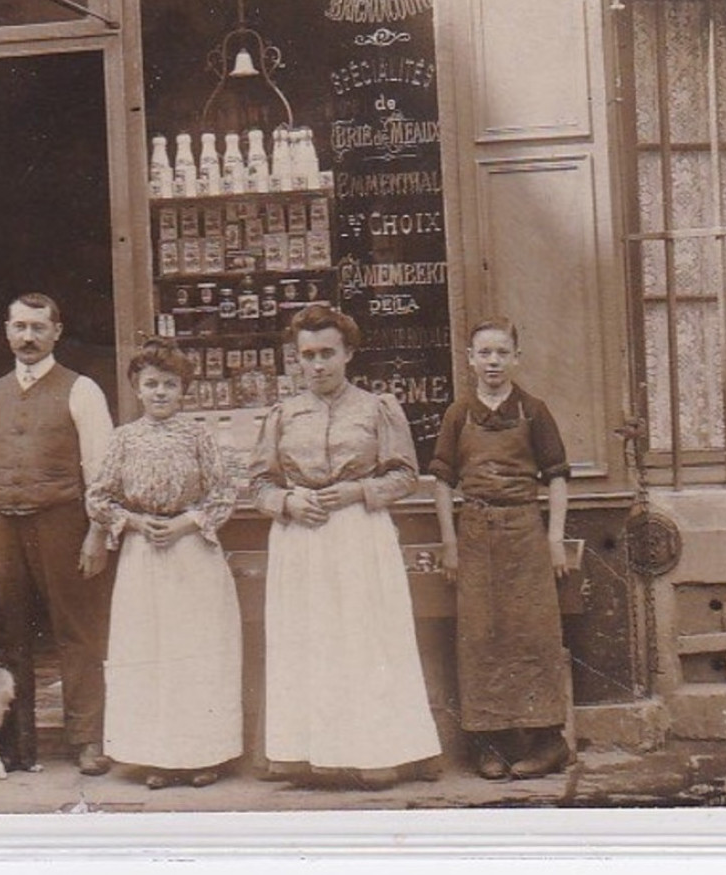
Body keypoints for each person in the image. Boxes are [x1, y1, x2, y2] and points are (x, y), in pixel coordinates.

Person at [247, 303, 440, 787]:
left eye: (327, 353)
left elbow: (405, 476)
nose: (317, 365)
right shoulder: (282, 414)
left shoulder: (376, 409)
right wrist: (287, 502)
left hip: (359, 534)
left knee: (364, 639)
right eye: (307, 355)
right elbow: (259, 485)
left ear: (348, 353)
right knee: (306, 640)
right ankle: (304, 753)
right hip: (301, 541)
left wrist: (359, 491)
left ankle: (375, 752)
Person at [0, 293, 116, 774]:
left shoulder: (81, 390)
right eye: (20, 327)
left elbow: (103, 469)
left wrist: (96, 534)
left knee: (78, 632)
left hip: (64, 521)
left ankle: (87, 738)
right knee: (10, 635)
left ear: (56, 333)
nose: (28, 337)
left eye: (38, 328)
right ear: (6, 331)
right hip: (4, 523)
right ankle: (17, 744)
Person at [85, 337, 241, 789]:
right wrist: (132, 520)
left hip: (191, 552)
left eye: (169, 385)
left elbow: (223, 492)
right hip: (142, 555)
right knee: (149, 651)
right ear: (137, 388)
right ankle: (156, 756)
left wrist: (188, 524)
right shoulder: (124, 439)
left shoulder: (198, 435)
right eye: (151, 384)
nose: (159, 393)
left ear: (183, 390)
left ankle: (201, 755)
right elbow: (98, 496)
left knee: (194, 651)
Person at [429, 316, 573, 780]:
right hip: (473, 534)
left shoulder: (534, 410)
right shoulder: (458, 413)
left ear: (516, 357)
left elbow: (557, 478)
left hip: (525, 532)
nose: (493, 361)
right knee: (481, 637)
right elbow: (442, 481)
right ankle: (487, 744)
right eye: (484, 353)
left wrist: (554, 540)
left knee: (533, 634)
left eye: (501, 352)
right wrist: (450, 543)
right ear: (470, 360)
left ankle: (549, 743)